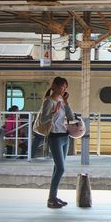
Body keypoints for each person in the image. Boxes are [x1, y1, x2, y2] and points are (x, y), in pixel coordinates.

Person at [39, 77, 74, 208]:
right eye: (61, 87)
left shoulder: (61, 100)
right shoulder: (48, 101)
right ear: (54, 86)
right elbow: (43, 120)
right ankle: (51, 199)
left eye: (65, 87)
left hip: (65, 136)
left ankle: (53, 197)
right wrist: (54, 113)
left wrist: (66, 103)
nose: (63, 89)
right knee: (60, 168)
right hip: (54, 137)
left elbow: (70, 117)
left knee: (57, 167)